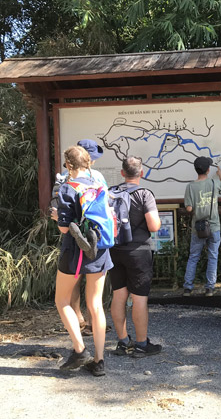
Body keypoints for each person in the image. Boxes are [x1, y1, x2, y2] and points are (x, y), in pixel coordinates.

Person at [53, 145, 113, 376]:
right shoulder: (99, 185)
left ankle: (80, 350)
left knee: (62, 301)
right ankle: (99, 361)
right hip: (99, 248)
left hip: (75, 252)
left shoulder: (68, 188)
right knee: (95, 305)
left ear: (68, 165)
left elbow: (64, 229)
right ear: (88, 162)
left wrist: (57, 217)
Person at [109, 156, 163, 358]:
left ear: (122, 173)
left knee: (119, 295)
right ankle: (141, 344)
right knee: (139, 298)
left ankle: (123, 342)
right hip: (138, 251)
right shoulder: (144, 194)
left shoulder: (111, 193)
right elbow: (154, 226)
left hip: (115, 250)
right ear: (142, 173)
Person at [183, 157, 221, 297]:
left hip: (198, 227)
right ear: (208, 170)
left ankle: (188, 288)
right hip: (214, 226)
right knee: (213, 256)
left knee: (193, 257)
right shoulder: (214, 182)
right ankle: (210, 288)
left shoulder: (190, 186)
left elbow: (189, 208)